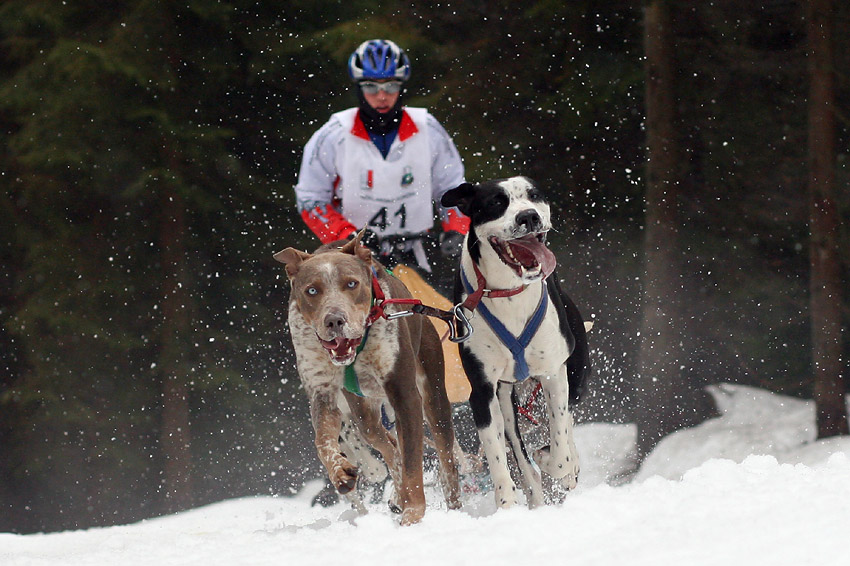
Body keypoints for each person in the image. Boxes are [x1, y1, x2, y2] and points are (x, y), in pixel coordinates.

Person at [294, 38, 469, 286]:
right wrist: (348, 237)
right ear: (358, 88)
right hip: (353, 256)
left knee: (451, 311)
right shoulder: (332, 135)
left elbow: (453, 189)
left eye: (390, 85)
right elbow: (311, 200)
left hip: (420, 253)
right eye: (371, 87)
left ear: (402, 86)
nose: (382, 95)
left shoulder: (428, 130)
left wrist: (456, 230)